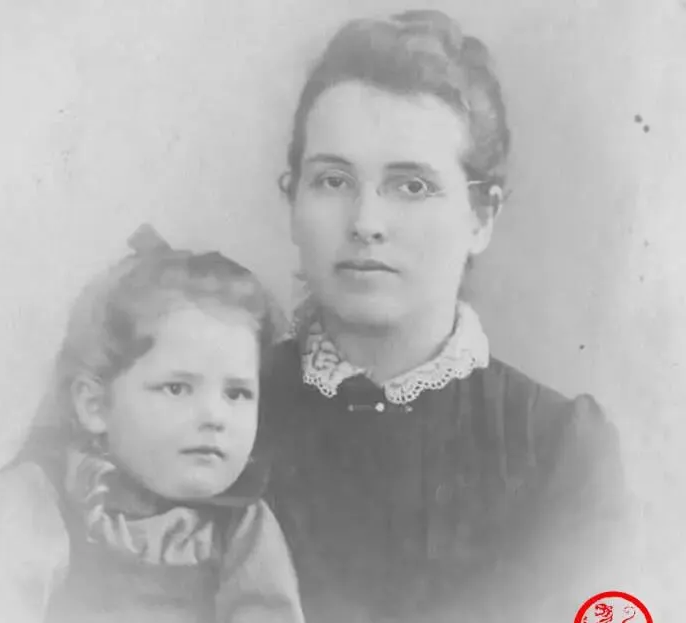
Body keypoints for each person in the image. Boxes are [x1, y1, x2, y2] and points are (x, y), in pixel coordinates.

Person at [260, 9, 627, 623]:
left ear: (481, 218)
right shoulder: (220, 417)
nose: (366, 223)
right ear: (293, 199)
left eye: (411, 186)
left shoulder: (558, 452)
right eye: (333, 180)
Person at [0, 224, 304, 623]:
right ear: (95, 406)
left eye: (237, 393)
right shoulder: (43, 499)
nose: (215, 416)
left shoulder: (244, 526)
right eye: (177, 388)